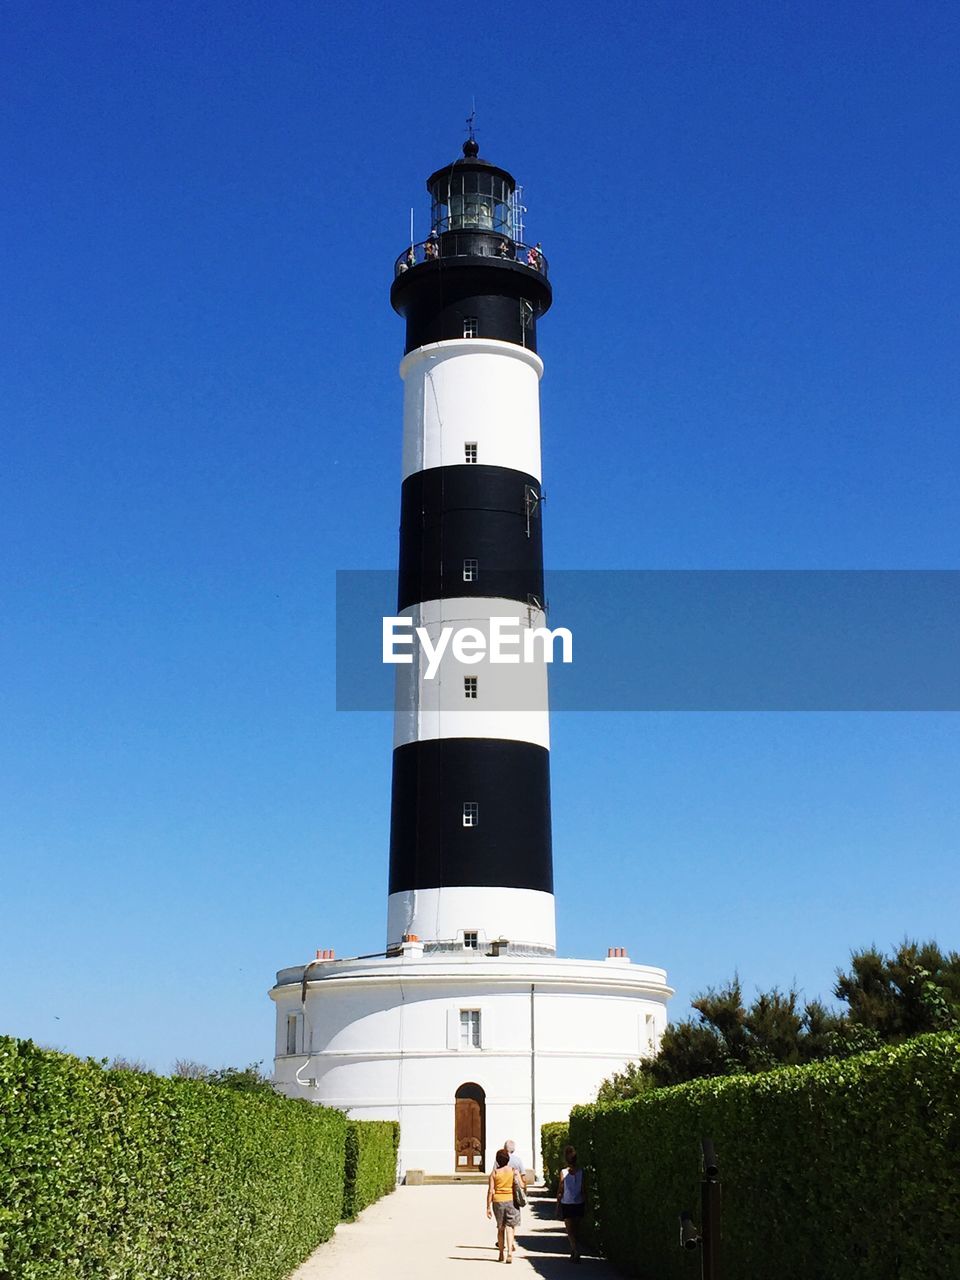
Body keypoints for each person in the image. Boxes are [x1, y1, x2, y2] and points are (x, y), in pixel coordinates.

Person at [487, 1148, 522, 1264]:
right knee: (510, 1228)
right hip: (511, 1200)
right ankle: (510, 1253)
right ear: (508, 1159)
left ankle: (501, 1253)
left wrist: (488, 1207)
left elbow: (491, 1191)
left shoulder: (494, 1173)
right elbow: (521, 1185)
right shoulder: (513, 1171)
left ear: (497, 1160)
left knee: (500, 1228)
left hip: (498, 1202)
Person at [557, 1145, 586, 1264]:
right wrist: (586, 1202)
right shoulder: (581, 1172)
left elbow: (560, 1190)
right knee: (576, 1229)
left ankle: (575, 1250)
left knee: (569, 1230)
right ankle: (574, 1251)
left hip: (567, 1202)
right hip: (579, 1202)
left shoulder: (563, 1172)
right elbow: (584, 1189)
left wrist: (557, 1206)